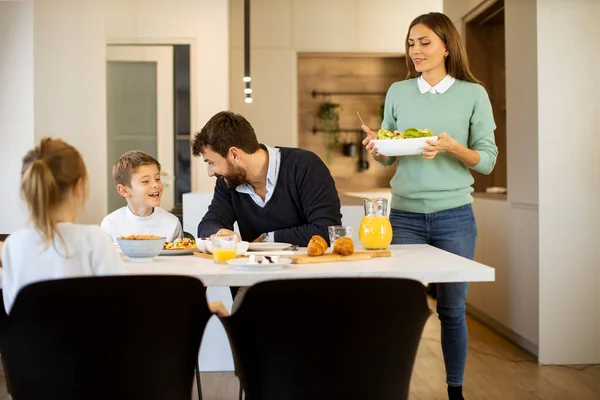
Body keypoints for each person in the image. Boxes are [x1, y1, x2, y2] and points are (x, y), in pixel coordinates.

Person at [361, 12, 498, 400]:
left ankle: (455, 391)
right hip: (403, 215)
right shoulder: (398, 92)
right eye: (410, 43)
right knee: (398, 308)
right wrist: (377, 147)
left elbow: (486, 160)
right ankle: (393, 386)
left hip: (455, 216)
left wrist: (452, 146)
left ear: (446, 45)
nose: (415, 50)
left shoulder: (474, 94)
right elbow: (389, 156)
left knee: (452, 310)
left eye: (423, 42)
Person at [192, 111, 343, 305]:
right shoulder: (228, 183)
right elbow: (209, 223)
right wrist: (220, 233)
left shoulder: (305, 166)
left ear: (234, 154)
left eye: (211, 163)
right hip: (254, 286)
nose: (210, 172)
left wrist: (266, 239)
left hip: (308, 285)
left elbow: (327, 230)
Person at [1, 138, 124, 313]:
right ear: (79, 187)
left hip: (31, 341)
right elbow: (117, 308)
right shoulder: (95, 240)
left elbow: (12, 312)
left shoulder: (13, 244)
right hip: (89, 340)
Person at [101, 150, 182, 244]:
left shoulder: (172, 223)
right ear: (124, 191)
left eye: (157, 178)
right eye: (145, 181)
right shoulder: (110, 224)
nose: (155, 184)